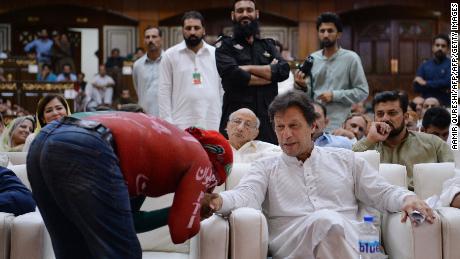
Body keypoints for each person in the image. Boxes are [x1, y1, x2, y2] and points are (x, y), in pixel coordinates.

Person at [201, 90, 434, 259]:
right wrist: (217, 200)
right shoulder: (265, 167)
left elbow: (382, 192)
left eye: (294, 126)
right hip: (292, 242)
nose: (286, 134)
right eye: (280, 127)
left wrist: (408, 199)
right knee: (325, 221)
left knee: (330, 223)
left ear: (313, 126)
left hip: (348, 237)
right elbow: (245, 195)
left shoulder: (345, 159)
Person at [27, 111, 232, 258]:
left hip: (47, 139)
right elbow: (181, 232)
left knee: (74, 249)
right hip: (89, 143)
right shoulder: (200, 158)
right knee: (125, 253)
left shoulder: (161, 149)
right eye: (212, 183)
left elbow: (128, 221)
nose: (206, 188)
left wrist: (178, 210)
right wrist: (197, 209)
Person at [215, 0, 290, 144]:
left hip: (267, 123)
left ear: (256, 14)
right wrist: (269, 74)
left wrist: (246, 69)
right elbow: (232, 75)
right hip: (237, 122)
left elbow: (283, 70)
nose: (245, 14)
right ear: (233, 15)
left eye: (249, 10)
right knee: (234, 163)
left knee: (269, 162)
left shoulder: (267, 45)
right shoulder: (224, 45)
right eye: (240, 11)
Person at [352, 91, 453, 188]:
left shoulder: (433, 143)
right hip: (380, 203)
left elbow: (454, 174)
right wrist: (370, 139)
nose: (385, 118)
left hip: (425, 201)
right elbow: (348, 165)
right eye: (380, 114)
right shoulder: (370, 144)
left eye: (392, 113)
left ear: (405, 117)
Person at [294, 12, 369, 132]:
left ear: (338, 34)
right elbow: (307, 96)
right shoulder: (312, 58)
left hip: (341, 124)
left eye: (330, 31)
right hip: (315, 124)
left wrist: (334, 95)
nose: (325, 34)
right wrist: (301, 86)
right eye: (322, 31)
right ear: (318, 33)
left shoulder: (351, 58)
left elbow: (362, 91)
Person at [159, 11, 223, 130]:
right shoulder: (170, 55)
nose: (192, 32)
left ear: (203, 30)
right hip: (180, 123)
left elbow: (222, 88)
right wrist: (167, 122)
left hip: (212, 120)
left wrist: (223, 117)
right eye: (188, 28)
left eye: (196, 28)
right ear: (182, 30)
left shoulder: (216, 54)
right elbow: (164, 90)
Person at [133, 26, 163, 116]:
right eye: (147, 37)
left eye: (154, 37)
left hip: (166, 116)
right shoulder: (137, 65)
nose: (150, 40)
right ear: (144, 41)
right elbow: (137, 88)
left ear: (161, 39)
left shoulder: (170, 62)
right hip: (145, 116)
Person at [413, 34, 451, 106]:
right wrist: (440, 86)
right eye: (437, 45)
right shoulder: (424, 65)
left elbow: (448, 82)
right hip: (426, 105)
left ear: (448, 49)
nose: (440, 48)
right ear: (433, 47)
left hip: (446, 104)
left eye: (443, 46)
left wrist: (425, 83)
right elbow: (416, 86)